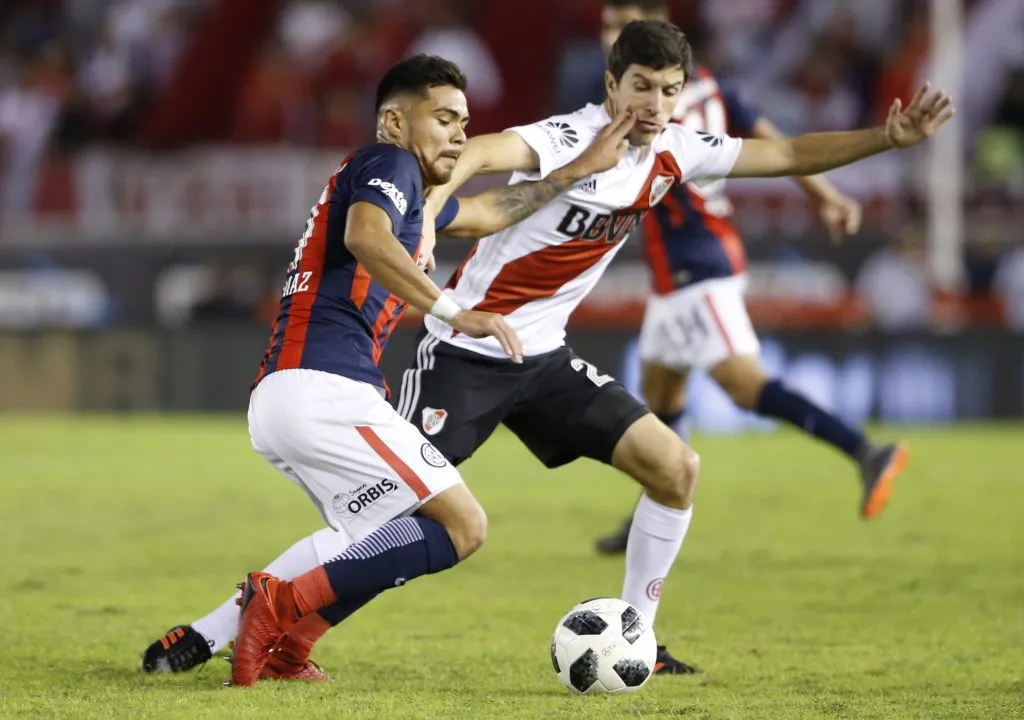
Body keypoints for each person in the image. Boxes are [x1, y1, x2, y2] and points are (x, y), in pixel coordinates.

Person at [390, 20, 952, 675]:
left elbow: (790, 155)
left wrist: (887, 137)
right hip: (466, 352)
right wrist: (429, 212)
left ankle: (638, 638)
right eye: (642, 87)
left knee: (676, 469)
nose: (655, 105)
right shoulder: (568, 136)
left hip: (542, 359)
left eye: (669, 90)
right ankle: (284, 610)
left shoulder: (678, 149)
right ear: (610, 84)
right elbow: (481, 153)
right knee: (392, 503)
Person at [140, 54, 636, 682]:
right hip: (326, 388)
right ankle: (276, 606)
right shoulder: (386, 163)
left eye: (465, 122)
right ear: (395, 122)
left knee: (372, 535)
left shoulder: (409, 197)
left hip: (287, 397)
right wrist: (458, 313)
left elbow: (491, 212)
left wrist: (576, 172)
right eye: (444, 118)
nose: (460, 133)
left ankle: (236, 638)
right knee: (462, 524)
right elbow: (366, 239)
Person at [591, 0, 910, 558]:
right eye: (607, 26)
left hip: (696, 259)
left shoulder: (645, 106)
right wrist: (829, 197)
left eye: (620, 26)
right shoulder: (710, 85)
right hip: (681, 266)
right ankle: (654, 509)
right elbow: (772, 144)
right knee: (662, 392)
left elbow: (774, 150)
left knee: (744, 386)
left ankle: (865, 451)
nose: (610, 35)